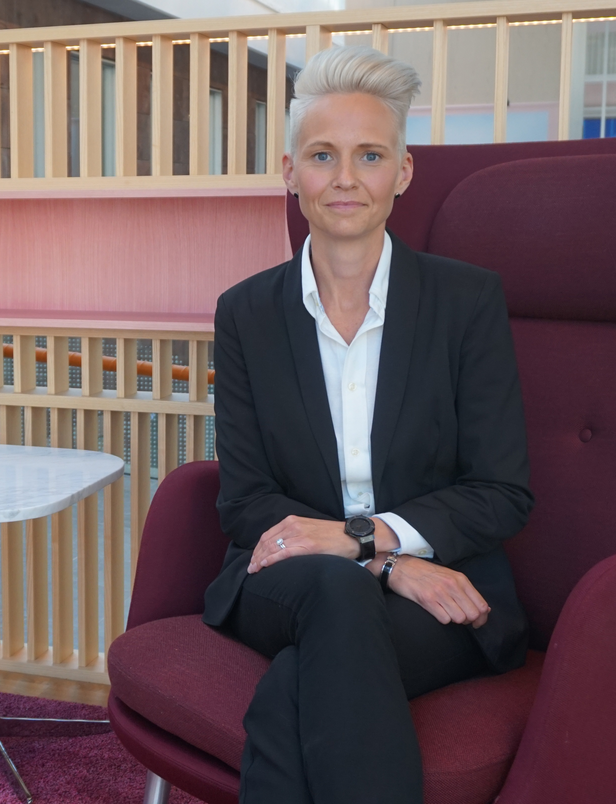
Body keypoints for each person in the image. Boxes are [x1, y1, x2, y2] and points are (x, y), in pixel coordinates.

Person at [202, 46, 533, 804]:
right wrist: (382, 562)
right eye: (322, 155)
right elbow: (244, 502)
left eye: (370, 155)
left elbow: (501, 492)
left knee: (296, 686)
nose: (345, 178)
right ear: (290, 173)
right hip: (286, 577)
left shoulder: (466, 304)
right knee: (337, 597)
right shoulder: (246, 313)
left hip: (447, 591)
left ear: (403, 172)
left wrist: (358, 539)